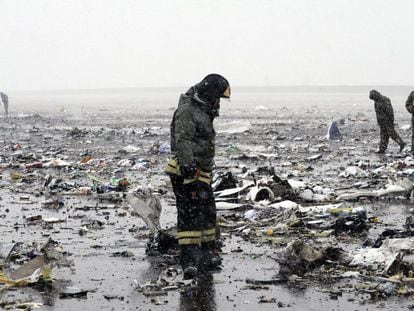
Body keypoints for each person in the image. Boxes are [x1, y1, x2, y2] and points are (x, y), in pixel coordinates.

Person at [165, 74, 230, 279]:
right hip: (186, 172)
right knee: (190, 216)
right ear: (209, 93)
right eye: (217, 96)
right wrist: (188, 166)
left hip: (201, 171)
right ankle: (189, 261)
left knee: (207, 212)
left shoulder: (203, 109)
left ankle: (207, 254)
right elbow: (182, 139)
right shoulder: (188, 110)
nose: (218, 101)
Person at [369, 89, 405, 154]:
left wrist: (391, 120)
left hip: (387, 121)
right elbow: (378, 113)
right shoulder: (377, 101)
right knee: (383, 135)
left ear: (375, 95)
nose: (374, 100)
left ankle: (401, 143)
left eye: (373, 98)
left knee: (392, 134)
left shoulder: (384, 100)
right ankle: (382, 149)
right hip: (382, 122)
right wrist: (379, 121)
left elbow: (389, 111)